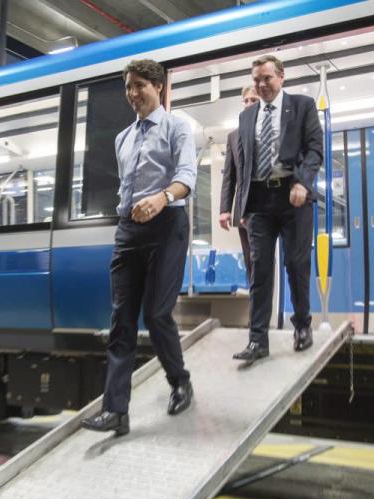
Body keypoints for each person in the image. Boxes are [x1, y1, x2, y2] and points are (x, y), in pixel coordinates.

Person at [81, 59, 197, 436]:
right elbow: (126, 189)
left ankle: (179, 380)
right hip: (130, 230)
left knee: (156, 312)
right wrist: (124, 221)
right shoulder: (123, 138)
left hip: (168, 225)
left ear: (158, 87)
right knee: (121, 320)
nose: (133, 94)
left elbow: (186, 177)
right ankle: (117, 411)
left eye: (140, 86)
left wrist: (161, 198)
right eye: (128, 87)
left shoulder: (177, 126)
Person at [231, 54, 323, 365]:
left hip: (293, 196)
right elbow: (242, 165)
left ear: (281, 77)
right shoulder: (246, 117)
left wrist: (303, 183)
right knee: (260, 271)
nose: (261, 84)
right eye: (256, 79)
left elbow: (314, 150)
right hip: (259, 202)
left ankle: (302, 325)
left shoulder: (302, 106)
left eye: (267, 78)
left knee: (296, 264)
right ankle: (258, 340)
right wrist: (240, 206)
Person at [219, 85, 261, 281]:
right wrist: (224, 209)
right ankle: (257, 308)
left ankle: (266, 305)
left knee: (263, 260)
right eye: (246, 100)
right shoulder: (233, 136)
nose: (249, 103)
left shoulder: (268, 130)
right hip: (243, 210)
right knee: (250, 262)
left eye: (254, 99)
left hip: (265, 206)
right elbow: (230, 176)